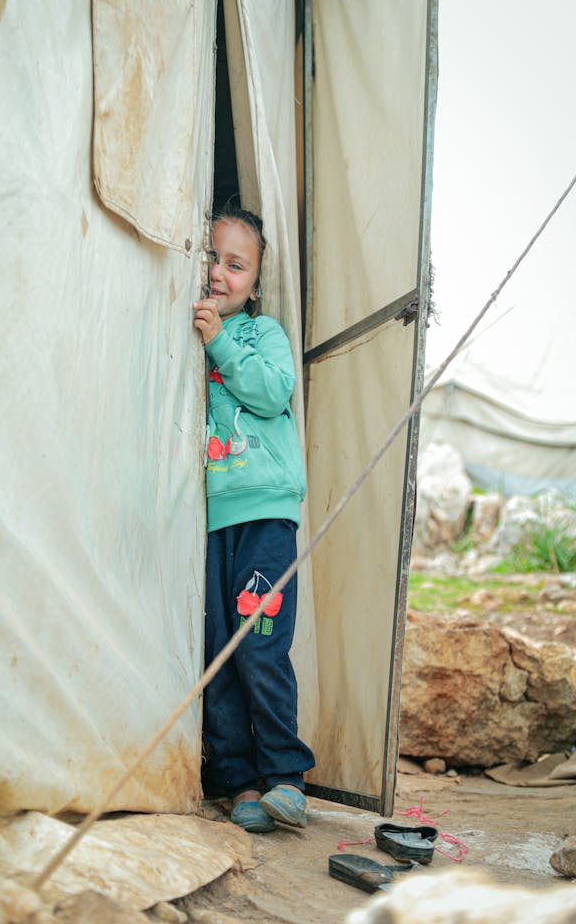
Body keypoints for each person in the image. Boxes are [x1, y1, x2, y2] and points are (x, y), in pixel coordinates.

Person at [193, 207, 315, 833]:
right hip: (211, 521)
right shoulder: (186, 331)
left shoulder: (259, 333)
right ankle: (237, 781)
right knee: (217, 652)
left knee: (260, 646)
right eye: (212, 256)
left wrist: (219, 342)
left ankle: (286, 776)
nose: (220, 273)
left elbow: (272, 393)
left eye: (236, 265)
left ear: (255, 282)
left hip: (266, 512)